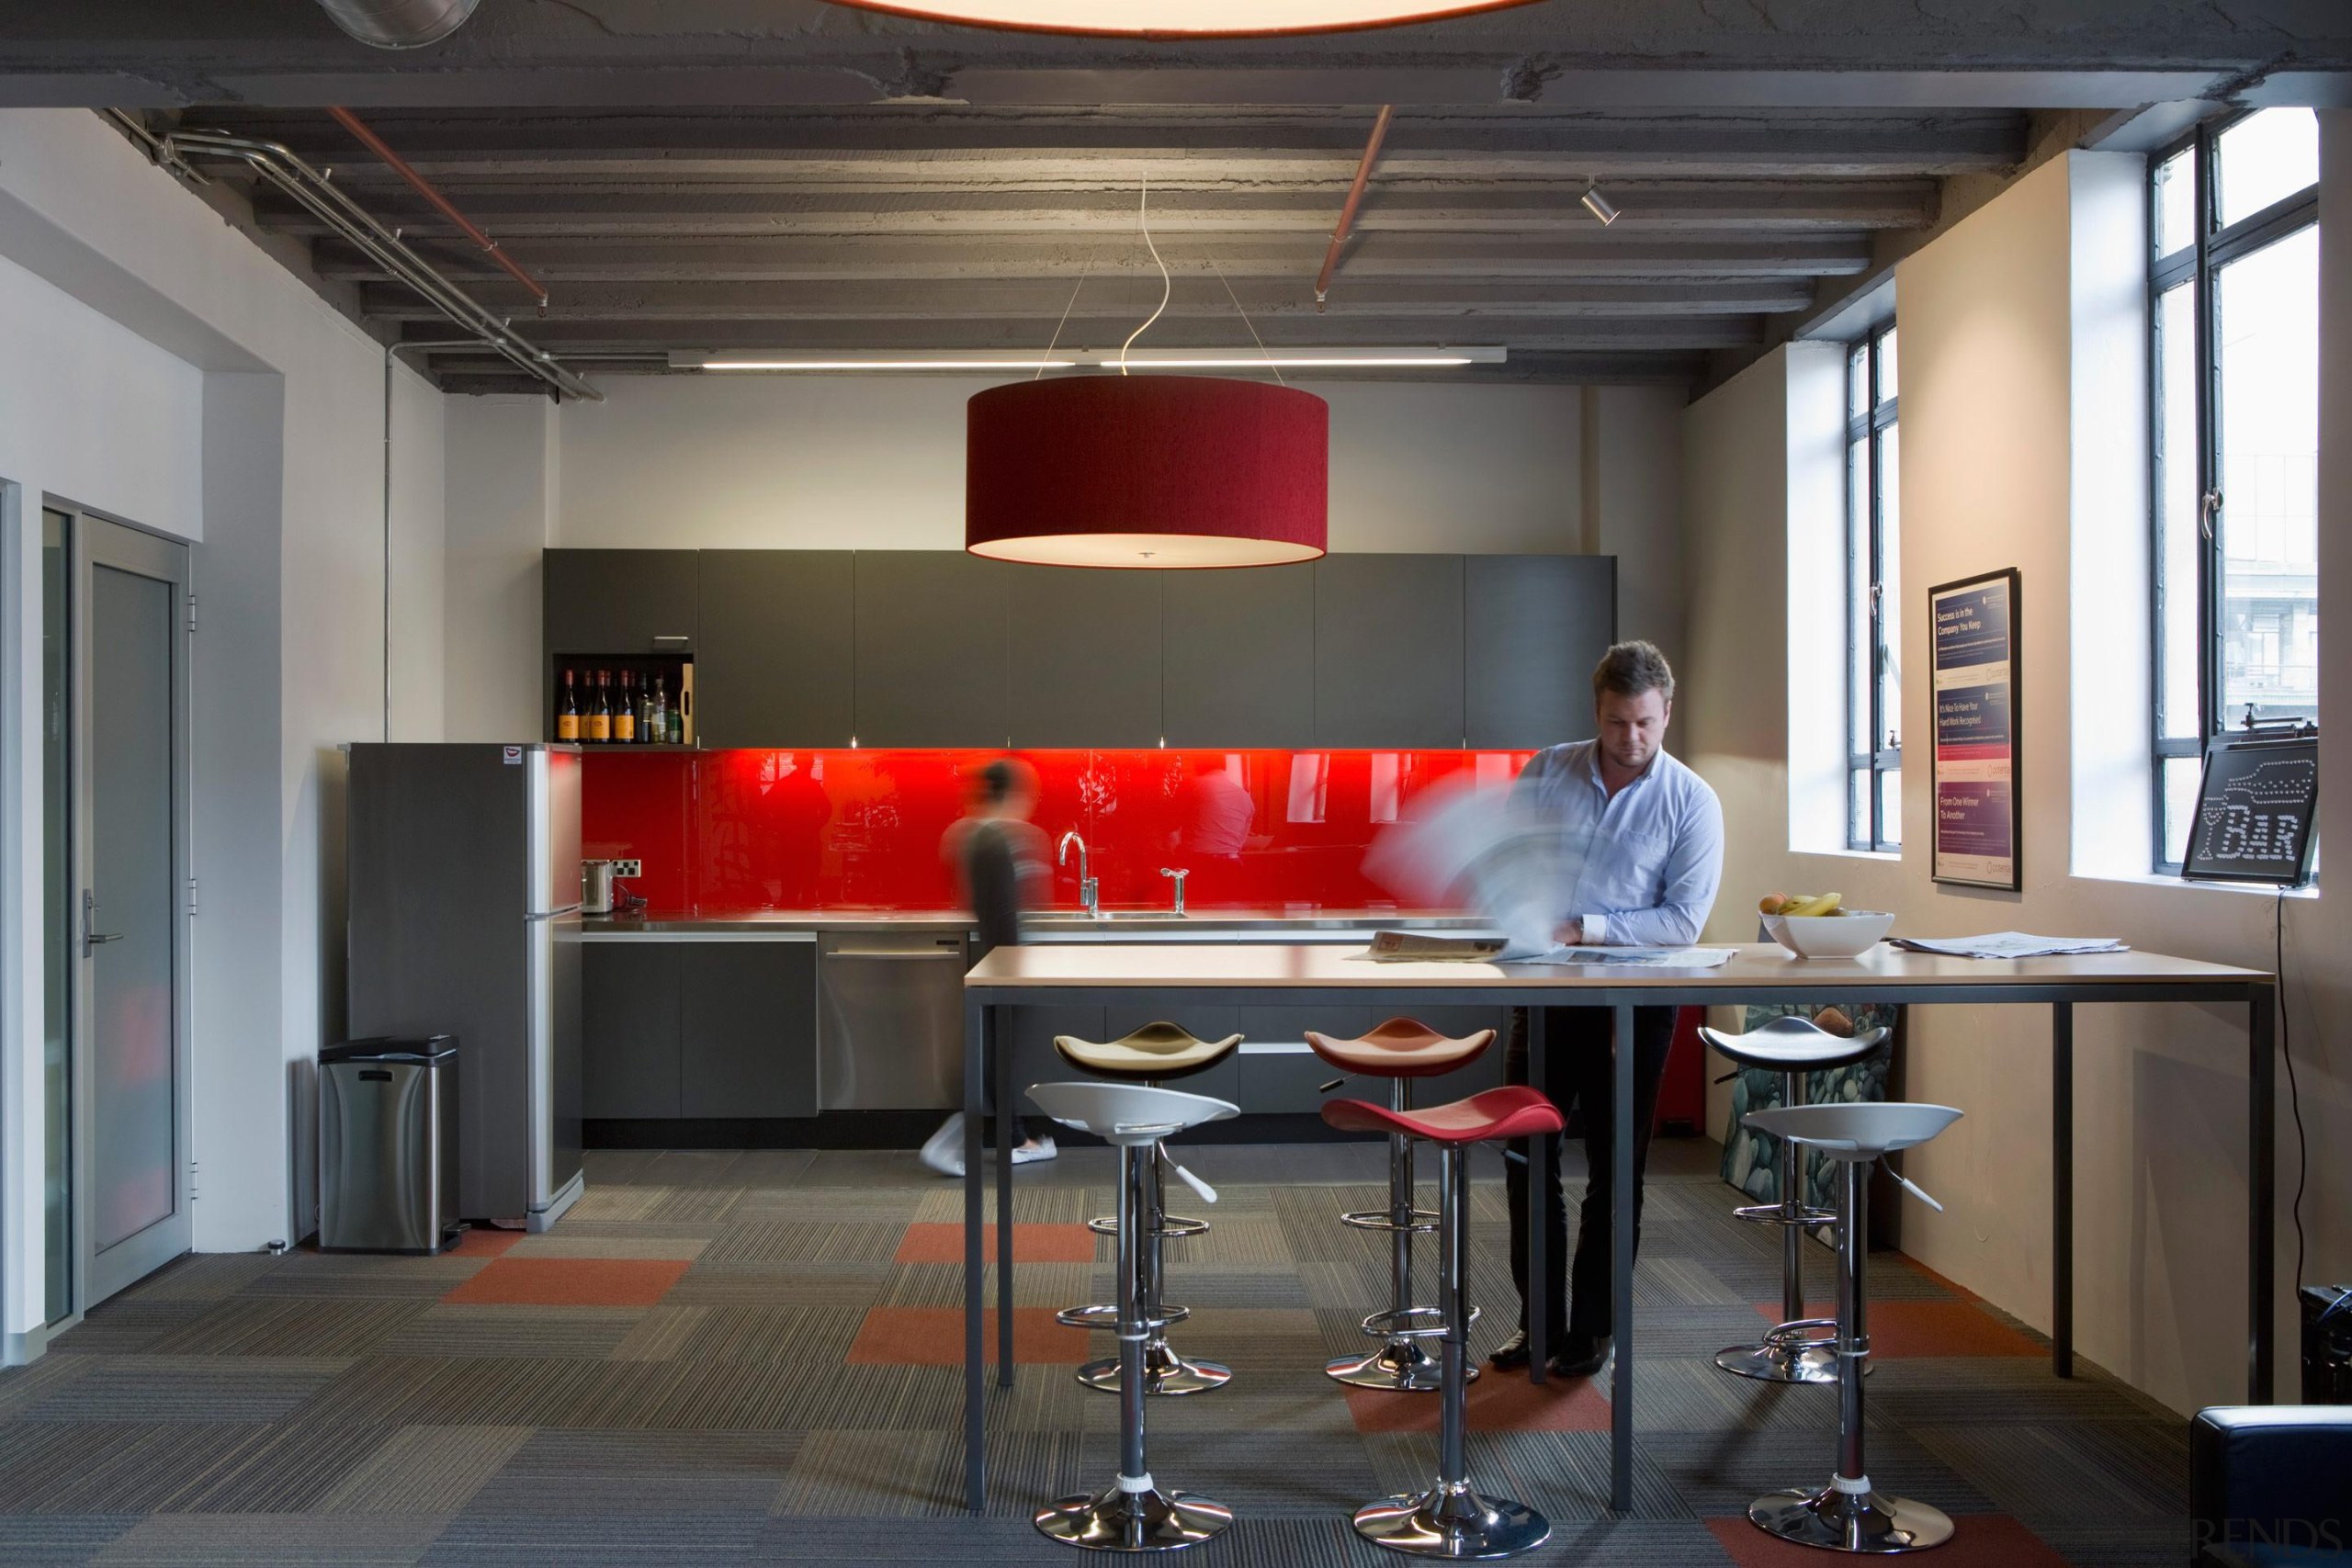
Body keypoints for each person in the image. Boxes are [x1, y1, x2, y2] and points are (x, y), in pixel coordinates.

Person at [1491, 640, 1724, 1378]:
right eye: (1619, 722)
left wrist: (1582, 926)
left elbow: (1683, 921)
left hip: (1634, 1005)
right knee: (1528, 1158)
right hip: (1547, 994)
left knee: (1614, 1169)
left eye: (1646, 723)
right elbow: (1508, 862)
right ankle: (1540, 1324)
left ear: (1667, 712)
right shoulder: (1546, 769)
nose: (1632, 739)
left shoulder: (1692, 800)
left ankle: (1592, 1330)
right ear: (1597, 711)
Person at [921, 759, 1057, 1176]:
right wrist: (1014, 969)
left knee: (996, 1050)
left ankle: (1010, 1136)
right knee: (998, 1052)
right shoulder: (1001, 839)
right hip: (1004, 961)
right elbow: (1005, 916)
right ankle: (997, 1139)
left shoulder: (969, 833)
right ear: (1013, 793)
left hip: (994, 958)